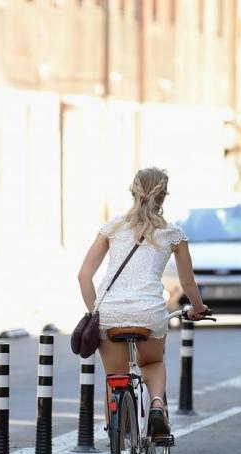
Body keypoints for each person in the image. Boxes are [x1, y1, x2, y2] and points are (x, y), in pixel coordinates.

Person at [77, 167, 210, 435]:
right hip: (150, 312)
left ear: (133, 192)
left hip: (110, 313)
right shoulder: (174, 235)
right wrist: (198, 308)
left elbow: (84, 276)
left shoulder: (112, 227)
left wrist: (95, 313)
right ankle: (157, 406)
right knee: (152, 363)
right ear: (164, 196)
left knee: (115, 378)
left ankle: (117, 446)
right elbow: (187, 284)